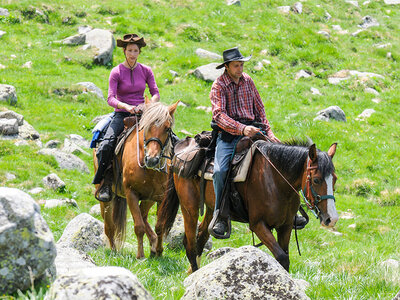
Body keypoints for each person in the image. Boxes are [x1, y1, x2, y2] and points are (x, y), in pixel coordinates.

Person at [209, 47, 306, 238]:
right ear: (226, 67)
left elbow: (260, 109)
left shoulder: (248, 81)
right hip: (229, 136)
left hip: (255, 131)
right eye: (236, 65)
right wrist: (242, 129)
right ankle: (220, 215)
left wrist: (269, 133)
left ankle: (292, 211)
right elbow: (218, 115)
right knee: (220, 172)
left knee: (283, 161)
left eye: (242, 64)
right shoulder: (218, 85)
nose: (240, 68)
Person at [92, 33, 160, 202]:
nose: (132, 54)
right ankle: (105, 182)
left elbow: (155, 93)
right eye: (129, 50)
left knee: (167, 139)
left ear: (139, 52)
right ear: (124, 51)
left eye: (135, 51)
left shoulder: (146, 71)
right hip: (122, 114)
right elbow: (110, 98)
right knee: (106, 145)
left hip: (144, 114)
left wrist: (150, 104)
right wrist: (125, 106)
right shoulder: (116, 72)